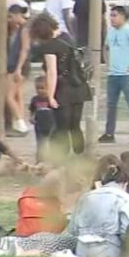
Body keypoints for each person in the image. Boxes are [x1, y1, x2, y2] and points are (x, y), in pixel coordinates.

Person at [29, 13, 87, 157]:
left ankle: (62, 159)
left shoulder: (49, 47)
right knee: (75, 125)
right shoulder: (67, 38)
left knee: (62, 127)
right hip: (79, 86)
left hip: (63, 89)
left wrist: (50, 96)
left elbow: (52, 72)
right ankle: (80, 156)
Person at [67, 162, 129, 257]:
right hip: (109, 247)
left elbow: (73, 229)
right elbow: (127, 230)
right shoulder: (124, 198)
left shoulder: (86, 197)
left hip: (82, 248)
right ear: (125, 183)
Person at [100, 6, 129, 144]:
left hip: (127, 75)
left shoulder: (128, 30)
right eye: (111, 15)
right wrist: (107, 63)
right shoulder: (110, 32)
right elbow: (106, 47)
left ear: (123, 16)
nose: (112, 18)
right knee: (111, 105)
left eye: (115, 15)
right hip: (113, 75)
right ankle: (109, 133)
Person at [6, 4, 30, 135]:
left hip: (17, 65)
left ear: (17, 15)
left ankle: (20, 123)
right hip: (18, 65)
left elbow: (25, 49)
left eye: (10, 17)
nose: (9, 20)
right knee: (18, 94)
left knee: (9, 96)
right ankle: (20, 122)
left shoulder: (25, 29)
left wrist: (18, 68)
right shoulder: (19, 29)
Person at [29, 75, 55, 164]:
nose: (40, 90)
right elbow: (32, 110)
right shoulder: (35, 99)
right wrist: (32, 117)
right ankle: (39, 160)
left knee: (52, 142)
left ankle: (54, 159)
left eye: (42, 88)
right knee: (40, 143)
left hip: (51, 124)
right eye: (38, 88)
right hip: (39, 125)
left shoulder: (51, 99)